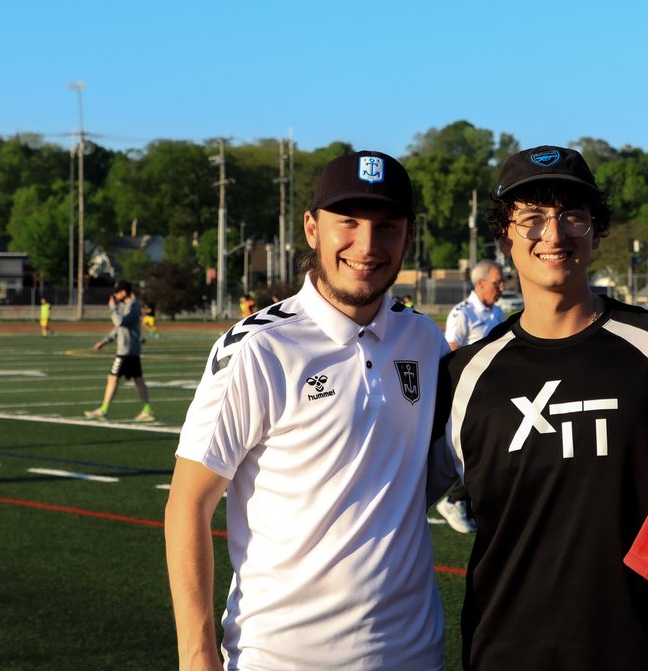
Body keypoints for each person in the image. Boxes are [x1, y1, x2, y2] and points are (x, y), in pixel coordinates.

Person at [431, 146, 648, 670]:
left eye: (572, 216)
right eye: (531, 219)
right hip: (504, 648)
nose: (553, 235)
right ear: (505, 236)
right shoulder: (466, 375)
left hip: (643, 647)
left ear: (595, 230)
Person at [164, 150, 447, 671]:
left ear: (408, 238)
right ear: (313, 229)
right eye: (349, 223)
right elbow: (188, 504)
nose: (366, 245)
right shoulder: (259, 347)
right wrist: (197, 658)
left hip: (413, 656)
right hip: (280, 659)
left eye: (386, 227)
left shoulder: (426, 341)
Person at [435, 259, 507, 534]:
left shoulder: (497, 312)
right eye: (496, 282)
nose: (502, 287)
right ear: (479, 283)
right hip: (471, 396)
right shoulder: (462, 313)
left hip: (496, 392)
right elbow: (451, 355)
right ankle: (455, 500)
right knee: (483, 452)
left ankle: (465, 500)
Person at [85, 281, 154, 422]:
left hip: (126, 351)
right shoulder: (126, 306)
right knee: (138, 380)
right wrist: (105, 341)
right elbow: (118, 328)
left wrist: (112, 309)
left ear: (124, 292)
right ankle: (147, 410)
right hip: (129, 350)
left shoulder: (133, 305)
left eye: (117, 292)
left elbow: (120, 322)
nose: (115, 295)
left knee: (113, 378)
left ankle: (103, 410)